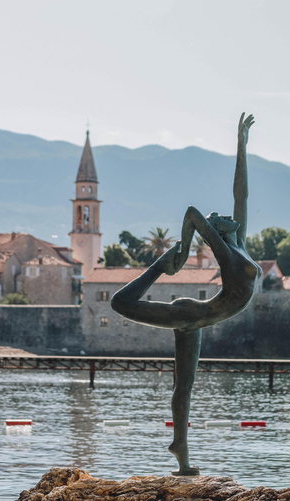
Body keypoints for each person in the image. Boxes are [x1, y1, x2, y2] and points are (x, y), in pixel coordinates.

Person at [111, 113, 261, 476]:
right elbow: (194, 214)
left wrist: (241, 143)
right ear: (218, 231)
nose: (230, 215)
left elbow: (241, 192)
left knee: (184, 387)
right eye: (222, 218)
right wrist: (179, 253)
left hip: (196, 318)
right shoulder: (226, 253)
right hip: (190, 315)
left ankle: (181, 451)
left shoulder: (237, 242)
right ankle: (160, 266)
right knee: (119, 303)